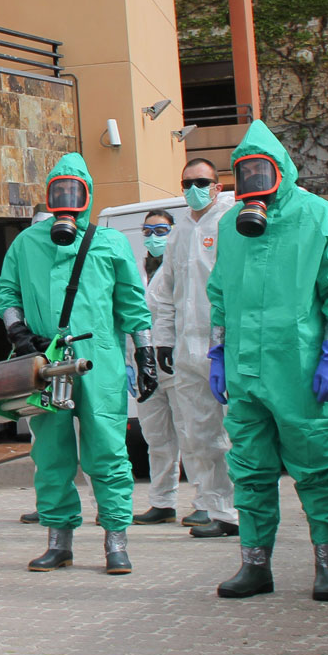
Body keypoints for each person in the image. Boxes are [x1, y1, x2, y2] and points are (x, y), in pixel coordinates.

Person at [205, 122, 328, 602]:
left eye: (262, 171)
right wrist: (217, 352)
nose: (254, 182)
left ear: (282, 170)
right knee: (249, 470)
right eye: (245, 173)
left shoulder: (319, 216)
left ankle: (327, 567)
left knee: (316, 470)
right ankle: (255, 566)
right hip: (245, 372)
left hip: (300, 370)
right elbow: (219, 295)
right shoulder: (231, 226)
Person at [0, 152, 157, 575]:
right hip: (44, 362)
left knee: (108, 449)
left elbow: (132, 302)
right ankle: (58, 541)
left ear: (88, 195)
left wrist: (145, 352)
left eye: (75, 192)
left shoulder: (109, 242)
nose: (67, 201)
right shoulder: (27, 244)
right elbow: (7, 293)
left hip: (99, 362)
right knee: (51, 453)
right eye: (59, 192)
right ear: (49, 196)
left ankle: (116, 541)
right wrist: (18, 331)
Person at [146, 159, 240, 538]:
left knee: (238, 433)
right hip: (188, 350)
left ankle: (246, 508)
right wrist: (165, 340)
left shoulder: (231, 221)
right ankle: (218, 510)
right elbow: (166, 291)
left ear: (218, 185)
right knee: (199, 435)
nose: (194, 189)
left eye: (202, 182)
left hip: (227, 347)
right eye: (187, 183)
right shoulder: (181, 230)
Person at [131, 210, 182, 526]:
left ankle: (208, 502)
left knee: (194, 434)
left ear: (173, 231)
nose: (154, 236)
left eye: (161, 230)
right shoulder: (139, 269)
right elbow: (131, 318)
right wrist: (130, 363)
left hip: (177, 361)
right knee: (157, 437)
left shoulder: (182, 266)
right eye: (148, 231)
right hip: (145, 366)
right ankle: (163, 502)